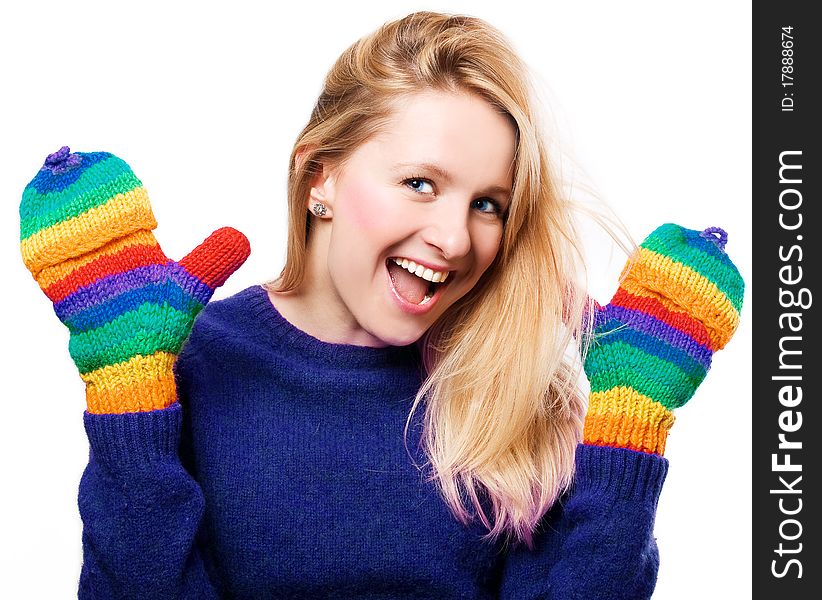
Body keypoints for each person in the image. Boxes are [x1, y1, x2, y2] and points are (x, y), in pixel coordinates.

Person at [18, 10, 743, 600]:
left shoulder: (510, 390)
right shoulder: (189, 366)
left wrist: (631, 422)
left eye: (488, 203)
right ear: (318, 177)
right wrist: (127, 390)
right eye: (421, 184)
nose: (456, 238)